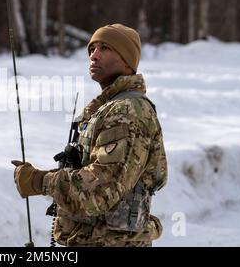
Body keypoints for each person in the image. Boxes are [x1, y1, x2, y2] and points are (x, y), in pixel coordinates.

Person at [12, 23, 168, 247]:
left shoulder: (127, 111)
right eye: (92, 49)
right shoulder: (108, 108)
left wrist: (39, 181)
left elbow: (101, 188)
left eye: (105, 48)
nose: (94, 56)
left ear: (126, 61)